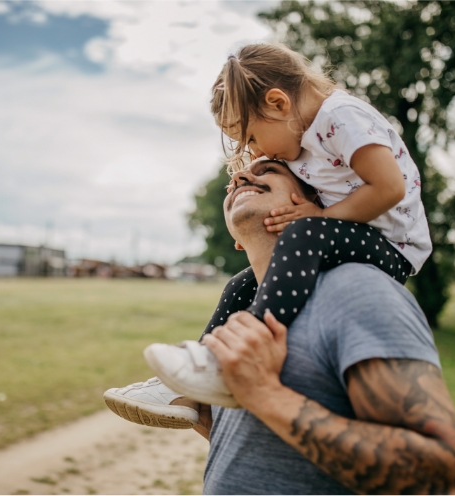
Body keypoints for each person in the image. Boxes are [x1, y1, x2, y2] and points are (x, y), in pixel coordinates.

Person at [109, 158, 455, 494]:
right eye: (233, 181)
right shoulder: (241, 309)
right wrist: (211, 418)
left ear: (314, 200)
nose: (241, 177)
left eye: (269, 170)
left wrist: (266, 395)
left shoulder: (358, 291)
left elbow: (441, 478)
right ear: (235, 239)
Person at [142, 42, 432, 407]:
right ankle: (198, 374)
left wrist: (322, 218)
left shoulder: (341, 117)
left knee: (305, 231)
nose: (257, 152)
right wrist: (247, 181)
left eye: (251, 137)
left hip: (392, 246)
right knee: (239, 284)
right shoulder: (300, 136)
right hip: (348, 235)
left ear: (279, 103)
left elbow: (389, 188)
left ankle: (248, 350)